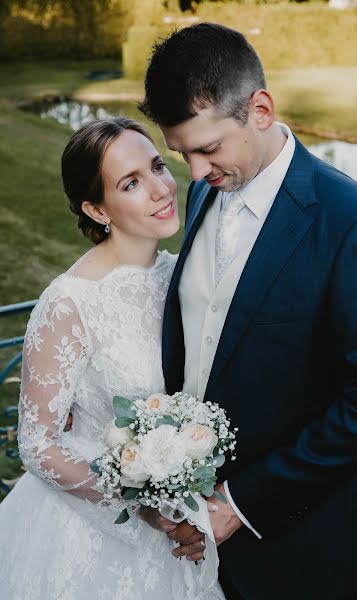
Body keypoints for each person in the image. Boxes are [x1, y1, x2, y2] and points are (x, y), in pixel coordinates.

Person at [138, 23, 357, 600]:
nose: (195, 173)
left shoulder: (345, 217)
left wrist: (241, 503)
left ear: (260, 109)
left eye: (208, 149)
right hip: (194, 540)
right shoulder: (205, 189)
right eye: (181, 153)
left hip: (298, 547)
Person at [0, 116, 225, 600]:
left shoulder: (184, 274)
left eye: (158, 167)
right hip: (94, 537)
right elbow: (39, 443)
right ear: (96, 209)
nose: (162, 189)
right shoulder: (69, 304)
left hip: (193, 521)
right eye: (131, 183)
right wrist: (145, 507)